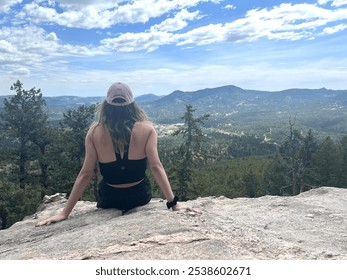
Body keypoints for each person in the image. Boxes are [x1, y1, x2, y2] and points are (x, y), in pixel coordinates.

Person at [36, 82, 198, 226]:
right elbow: (156, 167)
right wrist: (173, 204)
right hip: (139, 197)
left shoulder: (94, 133)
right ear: (132, 105)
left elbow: (85, 174)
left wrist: (65, 213)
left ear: (106, 105)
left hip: (109, 199)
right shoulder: (147, 129)